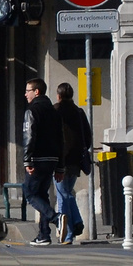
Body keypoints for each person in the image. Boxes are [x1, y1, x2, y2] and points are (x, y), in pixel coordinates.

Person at [21, 77, 62, 246]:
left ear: (36, 92)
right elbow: (61, 139)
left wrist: (27, 160)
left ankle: (56, 218)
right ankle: (44, 234)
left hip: (37, 159)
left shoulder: (32, 111)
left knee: (30, 193)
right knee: (42, 195)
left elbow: (29, 136)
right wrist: (60, 166)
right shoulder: (54, 111)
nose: (25, 94)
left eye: (28, 91)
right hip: (52, 159)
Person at [54, 82, 93, 245]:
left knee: (63, 194)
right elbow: (88, 138)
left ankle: (70, 231)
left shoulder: (55, 111)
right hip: (76, 161)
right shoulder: (79, 112)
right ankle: (73, 227)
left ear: (58, 95)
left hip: (60, 160)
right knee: (67, 192)